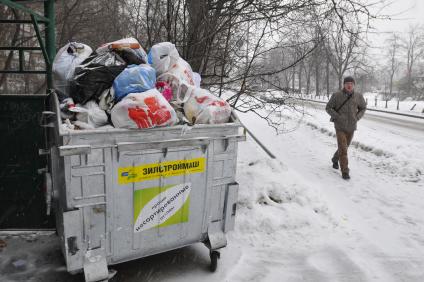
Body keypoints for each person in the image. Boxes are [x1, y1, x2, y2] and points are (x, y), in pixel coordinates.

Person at [325, 76, 366, 180]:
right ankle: (345, 171)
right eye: (347, 83)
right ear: (344, 84)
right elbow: (328, 107)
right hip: (340, 126)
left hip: (351, 126)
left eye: (351, 83)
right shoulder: (337, 95)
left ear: (354, 85)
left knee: (344, 147)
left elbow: (363, 108)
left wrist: (357, 117)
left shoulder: (358, 96)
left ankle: (335, 159)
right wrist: (337, 117)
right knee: (343, 148)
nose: (349, 85)